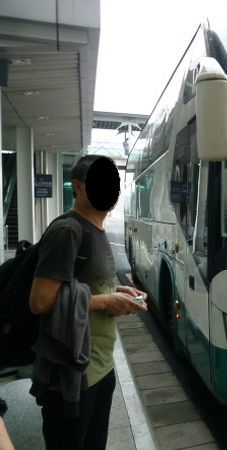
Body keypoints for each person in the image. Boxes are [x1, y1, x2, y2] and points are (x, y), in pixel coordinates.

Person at [29, 155, 147, 450]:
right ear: (79, 188)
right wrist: (106, 301)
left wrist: (117, 291)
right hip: (72, 371)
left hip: (101, 366)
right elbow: (40, 301)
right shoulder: (68, 230)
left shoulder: (98, 229)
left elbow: (84, 286)